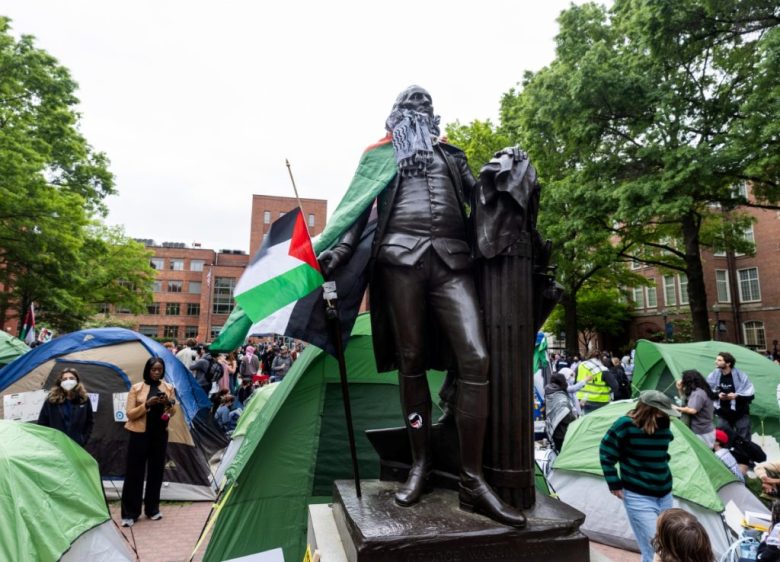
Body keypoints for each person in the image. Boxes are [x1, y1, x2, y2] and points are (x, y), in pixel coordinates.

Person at [316, 86, 525, 527]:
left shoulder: (451, 155)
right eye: (412, 104)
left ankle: (472, 479)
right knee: (410, 362)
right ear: (396, 115)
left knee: (476, 358)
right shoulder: (381, 157)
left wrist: (506, 171)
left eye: (425, 105)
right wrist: (340, 250)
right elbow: (357, 210)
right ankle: (420, 465)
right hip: (398, 261)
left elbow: (480, 198)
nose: (419, 108)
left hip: (452, 261)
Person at [600, 390, 680, 562]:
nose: (666, 413)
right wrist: (614, 483)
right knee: (657, 545)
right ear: (651, 408)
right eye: (663, 410)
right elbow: (606, 452)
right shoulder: (625, 425)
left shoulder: (664, 423)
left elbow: (662, 452)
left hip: (665, 492)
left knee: (660, 544)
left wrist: (659, 465)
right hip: (638, 495)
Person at [120, 357, 177, 527]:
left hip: (159, 434)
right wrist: (147, 404)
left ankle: (152, 509)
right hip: (139, 434)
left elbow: (172, 412)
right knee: (134, 473)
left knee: (156, 472)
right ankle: (130, 513)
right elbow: (130, 414)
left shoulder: (167, 388)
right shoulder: (136, 388)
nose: (157, 372)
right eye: (154, 369)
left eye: (160, 369)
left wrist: (167, 402)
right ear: (147, 370)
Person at [37, 368, 94, 447]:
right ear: (60, 382)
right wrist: (49, 442)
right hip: (56, 445)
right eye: (64, 379)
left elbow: (89, 422)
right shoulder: (51, 400)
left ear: (77, 380)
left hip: (76, 445)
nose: (68, 381)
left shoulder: (84, 399)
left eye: (71, 378)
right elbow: (42, 423)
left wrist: (83, 440)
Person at [707, 351, 755, 442]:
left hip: (740, 413)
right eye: (716, 359)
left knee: (744, 440)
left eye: (719, 360)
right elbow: (707, 391)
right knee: (723, 438)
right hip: (723, 413)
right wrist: (718, 395)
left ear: (728, 363)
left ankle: (745, 456)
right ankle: (726, 455)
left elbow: (750, 395)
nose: (715, 362)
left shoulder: (741, 376)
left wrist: (736, 396)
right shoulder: (714, 375)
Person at [673, 369, 717, 447]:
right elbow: (685, 402)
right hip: (705, 429)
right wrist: (680, 389)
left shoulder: (698, 393)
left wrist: (676, 408)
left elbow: (692, 410)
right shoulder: (701, 390)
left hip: (702, 431)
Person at [544, 373, 576, 453]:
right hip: (563, 432)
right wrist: (574, 418)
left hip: (552, 428)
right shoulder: (560, 396)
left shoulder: (549, 392)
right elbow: (566, 416)